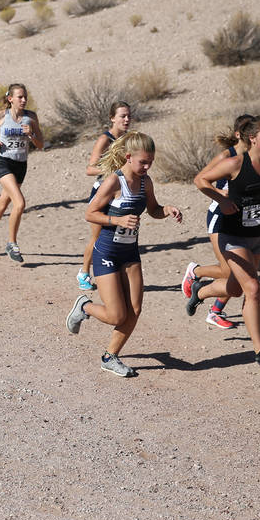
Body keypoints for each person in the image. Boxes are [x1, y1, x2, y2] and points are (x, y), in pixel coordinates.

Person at [66, 132, 183, 376]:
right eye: (143, 162)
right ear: (128, 157)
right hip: (107, 252)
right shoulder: (113, 182)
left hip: (130, 252)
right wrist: (117, 218)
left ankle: (110, 356)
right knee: (116, 315)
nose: (147, 166)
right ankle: (85, 306)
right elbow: (90, 213)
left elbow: (153, 210)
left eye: (150, 161)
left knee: (135, 310)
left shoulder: (145, 182)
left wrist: (168, 210)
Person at [188, 115, 260, 372]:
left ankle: (200, 291)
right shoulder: (235, 163)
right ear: (253, 139)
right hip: (232, 235)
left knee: (236, 289)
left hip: (258, 235)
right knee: (253, 289)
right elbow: (200, 180)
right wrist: (221, 199)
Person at [180, 114, 253, 329]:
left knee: (240, 273)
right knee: (229, 272)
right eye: (250, 133)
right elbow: (201, 180)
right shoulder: (226, 156)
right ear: (239, 135)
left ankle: (215, 311)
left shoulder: (257, 158)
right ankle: (196, 272)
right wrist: (223, 194)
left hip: (244, 219)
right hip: (220, 216)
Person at [0, 83, 43, 263]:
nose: (24, 100)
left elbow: (41, 144)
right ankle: (12, 243)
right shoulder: (1, 116)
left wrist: (32, 135)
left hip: (21, 166)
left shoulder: (31, 117)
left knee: (3, 203)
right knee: (19, 203)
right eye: (20, 97)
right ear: (10, 99)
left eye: (25, 96)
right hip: (4, 164)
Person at [76, 101, 131, 290]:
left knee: (115, 236)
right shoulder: (105, 140)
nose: (126, 119)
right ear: (112, 118)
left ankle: (110, 274)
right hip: (101, 193)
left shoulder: (128, 139)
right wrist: (113, 167)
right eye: (122, 116)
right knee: (97, 237)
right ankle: (84, 273)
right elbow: (89, 169)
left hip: (118, 193)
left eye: (128, 116)